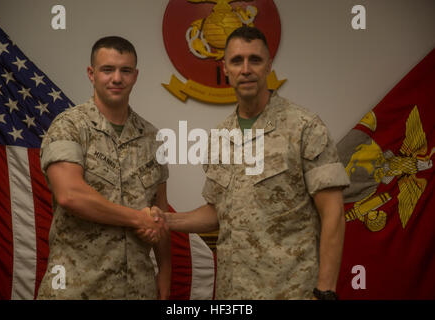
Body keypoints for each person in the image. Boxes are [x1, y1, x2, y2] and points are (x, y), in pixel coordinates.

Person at [149, 26, 350, 299]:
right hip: (233, 295)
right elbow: (218, 212)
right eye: (236, 61)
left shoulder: (304, 127)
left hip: (290, 292)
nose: (246, 69)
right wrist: (167, 220)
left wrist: (325, 292)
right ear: (226, 69)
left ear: (268, 66)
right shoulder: (220, 137)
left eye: (255, 60)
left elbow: (333, 214)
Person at [37, 36, 170, 299]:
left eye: (125, 70)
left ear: (135, 75)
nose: (116, 78)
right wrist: (136, 218)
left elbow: (159, 211)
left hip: (137, 289)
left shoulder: (152, 139)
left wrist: (165, 271)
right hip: (77, 287)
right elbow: (70, 195)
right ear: (92, 73)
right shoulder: (70, 126)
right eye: (107, 69)